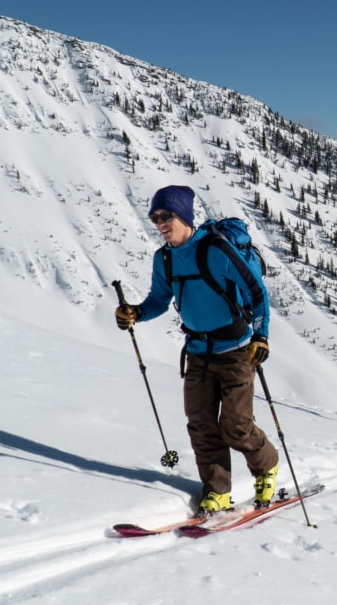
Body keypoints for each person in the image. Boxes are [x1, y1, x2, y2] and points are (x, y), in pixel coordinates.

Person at [114, 184, 279, 516]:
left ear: (184, 216)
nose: (160, 223)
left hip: (235, 351)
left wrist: (261, 336)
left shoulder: (216, 250)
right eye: (155, 217)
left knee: (236, 427)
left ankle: (267, 466)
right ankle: (217, 492)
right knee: (201, 424)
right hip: (197, 352)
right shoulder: (164, 259)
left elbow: (257, 292)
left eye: (166, 216)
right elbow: (160, 299)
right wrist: (137, 312)